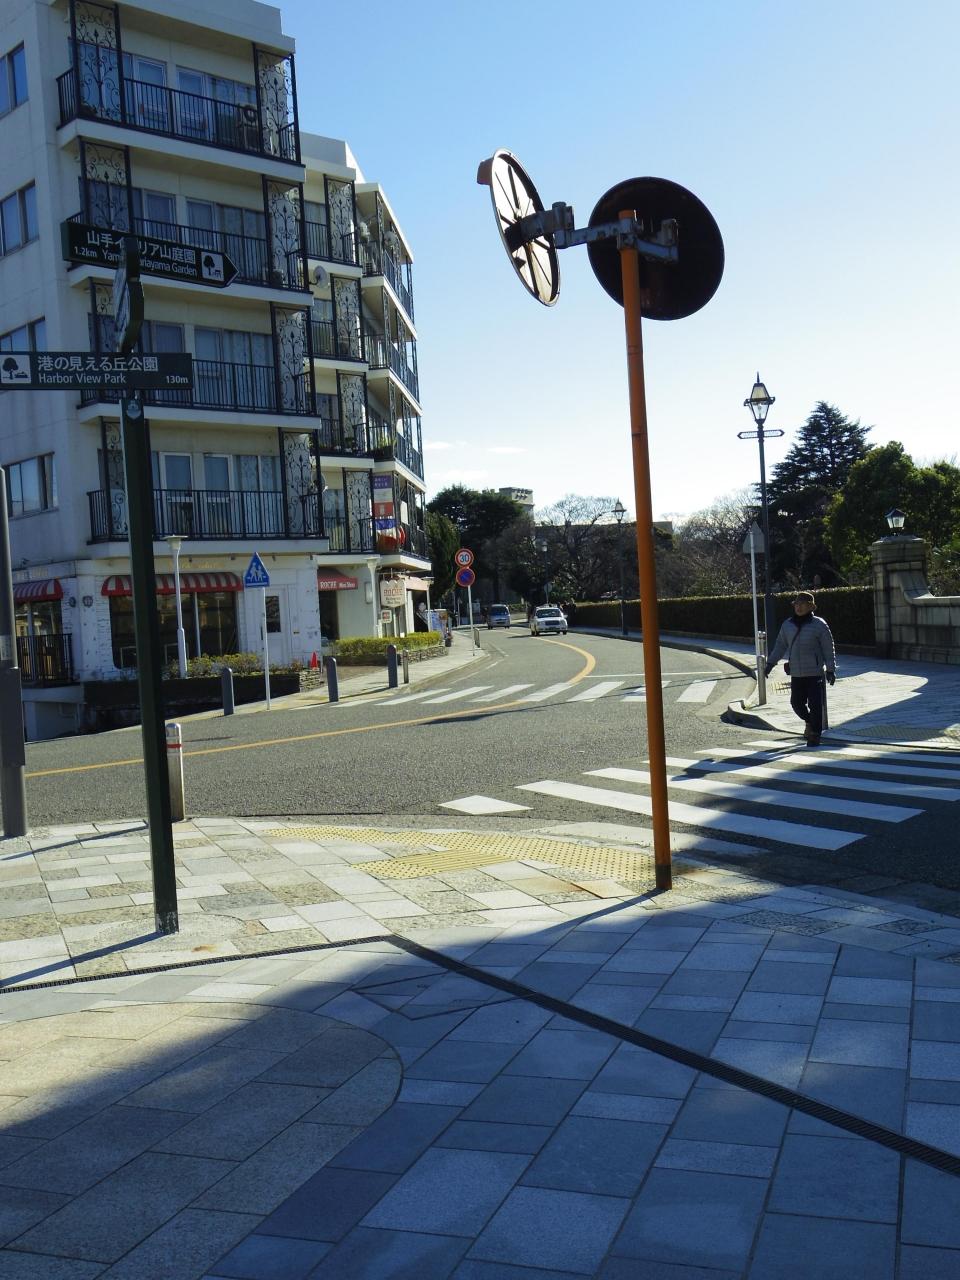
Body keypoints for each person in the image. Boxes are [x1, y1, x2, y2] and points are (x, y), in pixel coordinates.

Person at [764, 591, 837, 746]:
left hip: (815, 673)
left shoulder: (819, 625)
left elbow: (828, 648)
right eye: (796, 604)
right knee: (796, 704)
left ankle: (815, 734)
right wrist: (770, 664)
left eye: (802, 604)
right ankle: (809, 722)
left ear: (810, 607)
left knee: (815, 705)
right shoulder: (787, 625)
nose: (798, 607)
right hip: (796, 673)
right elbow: (780, 646)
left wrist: (830, 670)